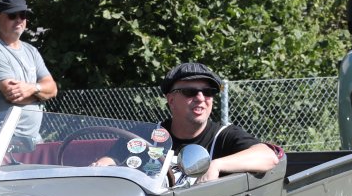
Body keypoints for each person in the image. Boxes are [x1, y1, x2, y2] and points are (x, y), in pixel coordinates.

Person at [94, 62, 281, 181]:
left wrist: (215, 165)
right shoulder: (146, 134)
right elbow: (109, 160)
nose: (201, 98)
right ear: (171, 100)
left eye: (208, 92)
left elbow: (268, 157)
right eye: (190, 92)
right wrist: (101, 167)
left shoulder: (223, 136)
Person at [0, 0, 57, 149]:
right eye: (12, 15)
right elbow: (15, 95)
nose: (19, 20)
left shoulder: (31, 51)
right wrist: (42, 94)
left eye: (23, 15)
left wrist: (33, 88)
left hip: (32, 139)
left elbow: (53, 88)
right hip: (2, 138)